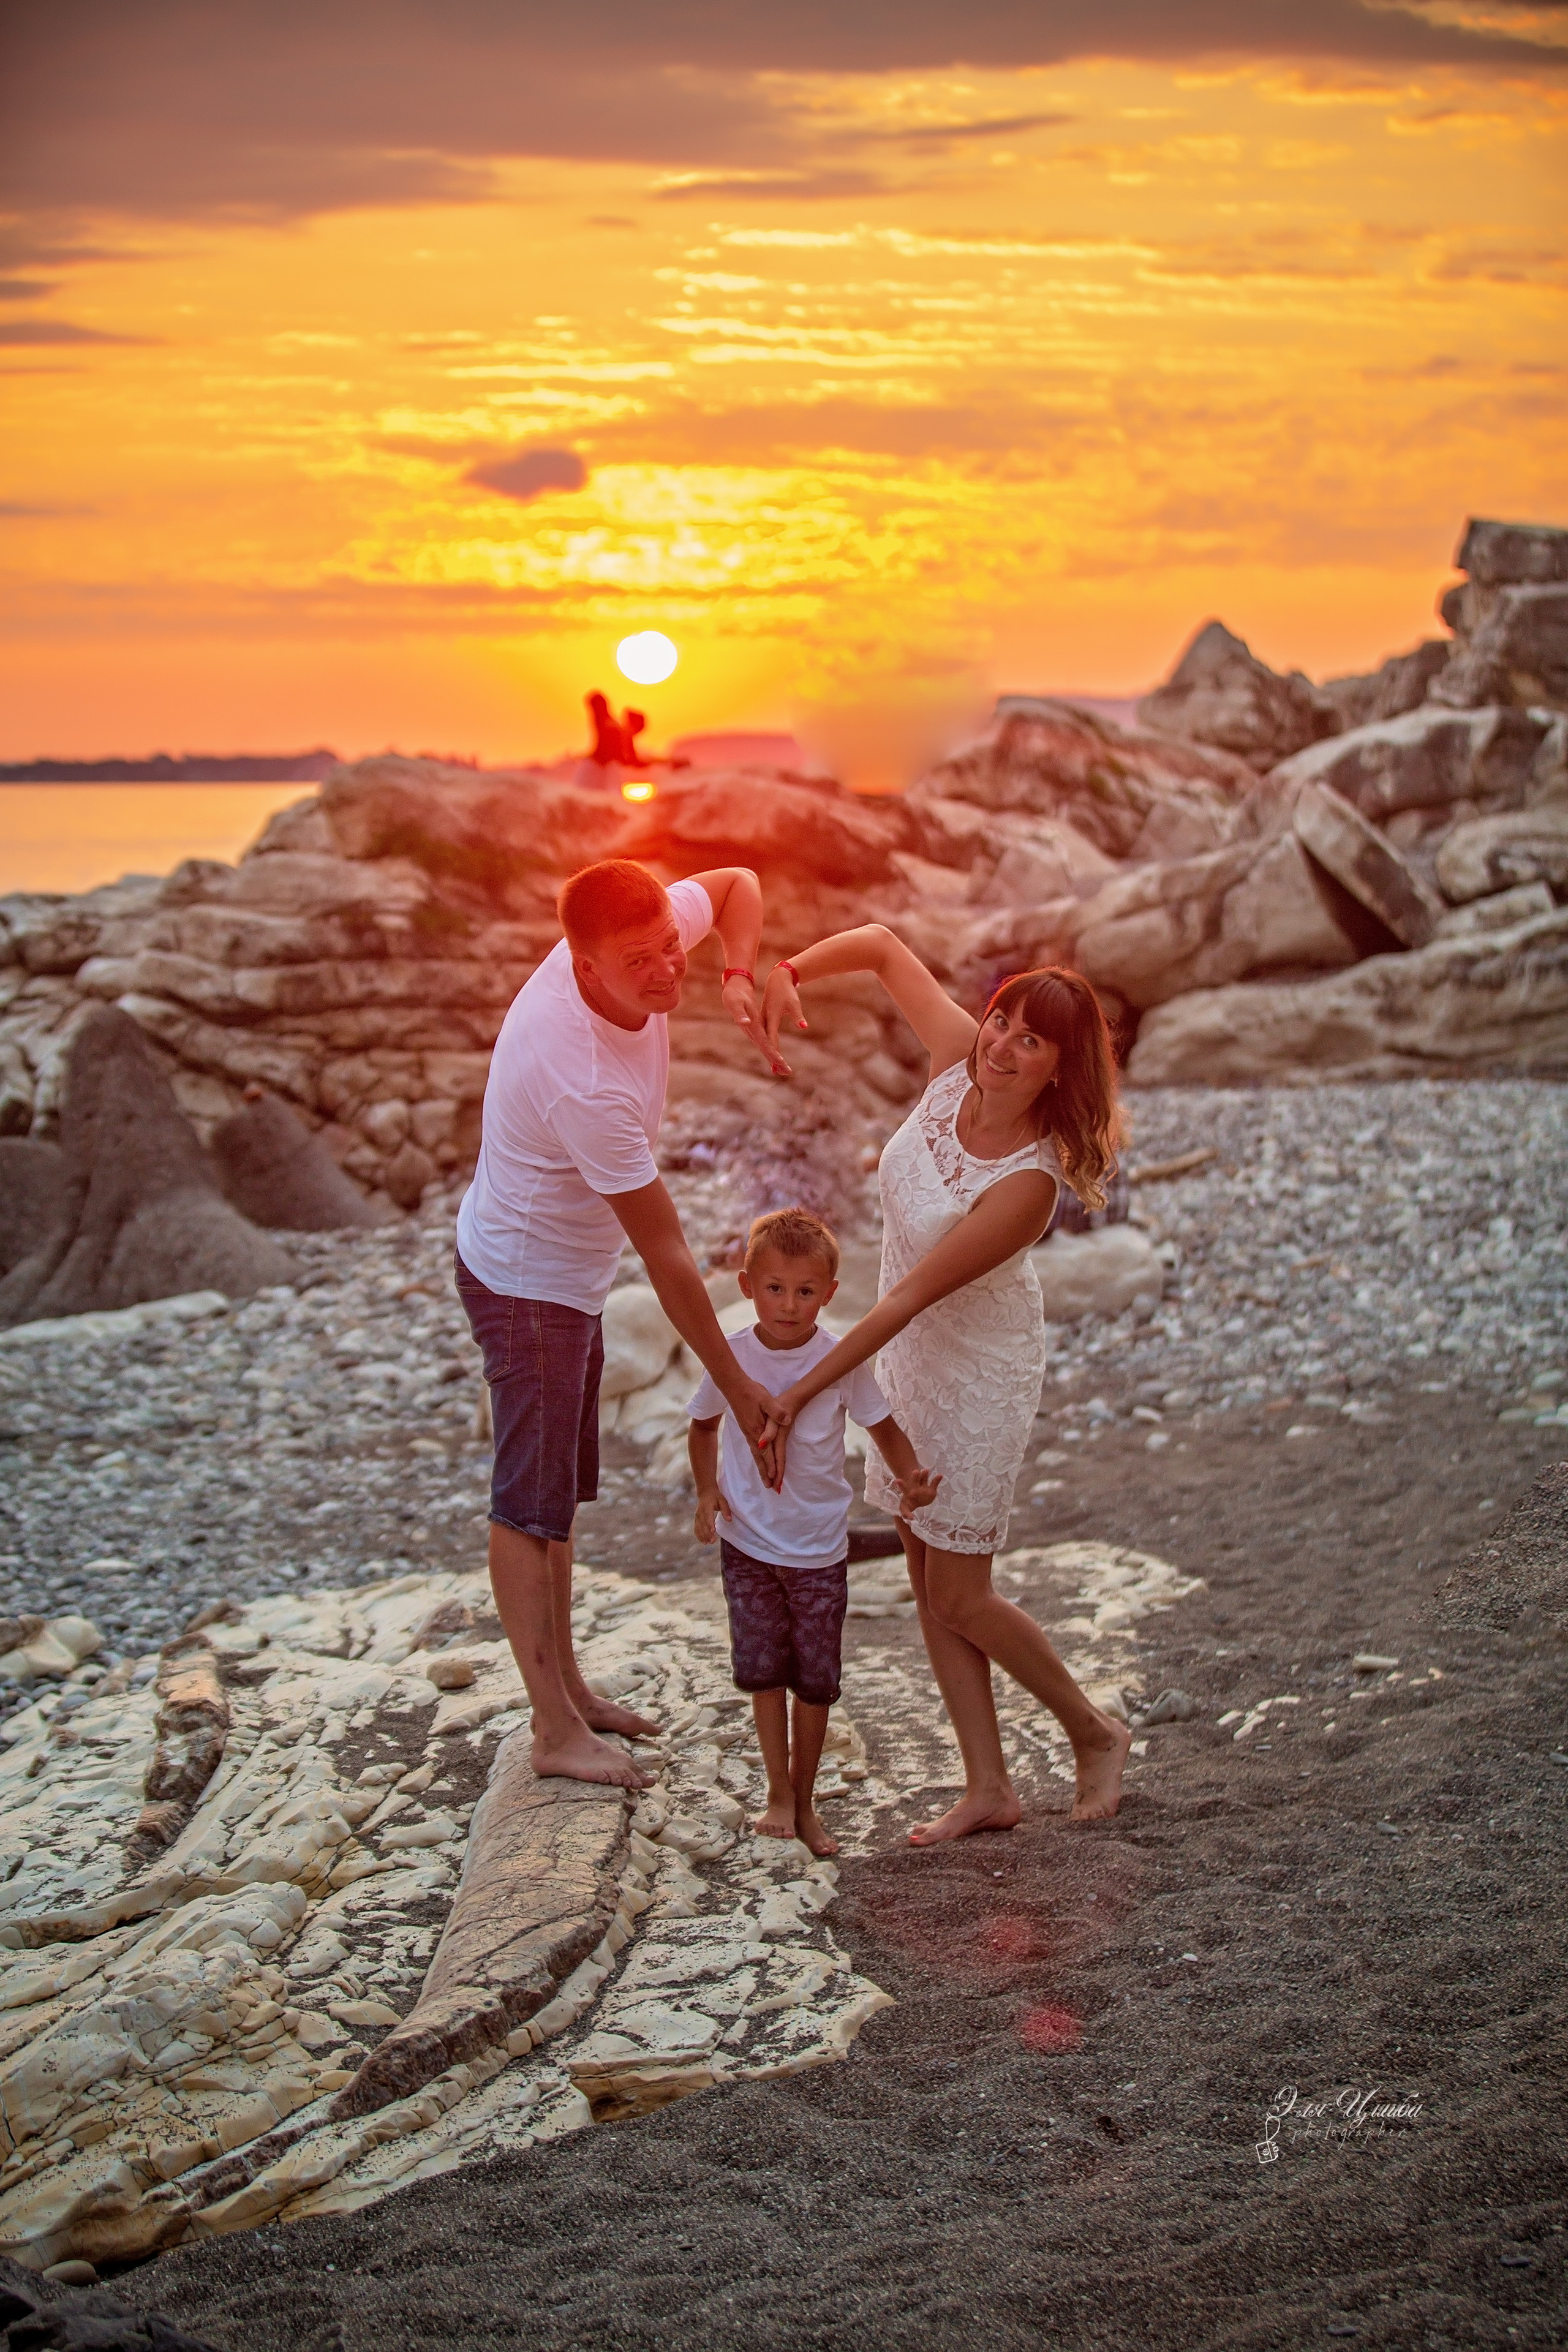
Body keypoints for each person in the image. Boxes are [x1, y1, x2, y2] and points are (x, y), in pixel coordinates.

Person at [760, 932, 1131, 1841]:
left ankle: (1093, 1732)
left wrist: (804, 1384)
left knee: (962, 1592)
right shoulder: (954, 1059)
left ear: (1059, 1068)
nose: (1000, 1045)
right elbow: (887, 950)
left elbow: (916, 1292)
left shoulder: (1030, 1186)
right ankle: (989, 1787)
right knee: (927, 1577)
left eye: (1029, 1042)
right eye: (1000, 1021)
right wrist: (786, 971)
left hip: (977, 1369)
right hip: (912, 1356)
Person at [454, 858, 793, 1790]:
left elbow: (736, 885)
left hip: (570, 1270)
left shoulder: (654, 935)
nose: (664, 971)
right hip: (528, 1283)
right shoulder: (583, 1080)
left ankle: (569, 1691)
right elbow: (670, 1253)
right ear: (583, 965)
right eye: (638, 962)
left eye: (669, 949)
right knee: (528, 1507)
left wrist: (735, 971)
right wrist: (737, 1387)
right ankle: (553, 1730)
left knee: (559, 1498)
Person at [687, 1207, 941, 1856]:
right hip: (749, 1544)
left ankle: (805, 1803)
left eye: (805, 1292)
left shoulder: (839, 1361)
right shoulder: (732, 1356)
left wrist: (910, 1476)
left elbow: (880, 1426)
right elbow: (703, 1424)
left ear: (828, 1295)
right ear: (747, 1286)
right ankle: (777, 1791)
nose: (789, 1305)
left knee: (817, 1681)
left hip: (820, 1549)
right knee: (763, 1673)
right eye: (774, 1288)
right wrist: (707, 1490)